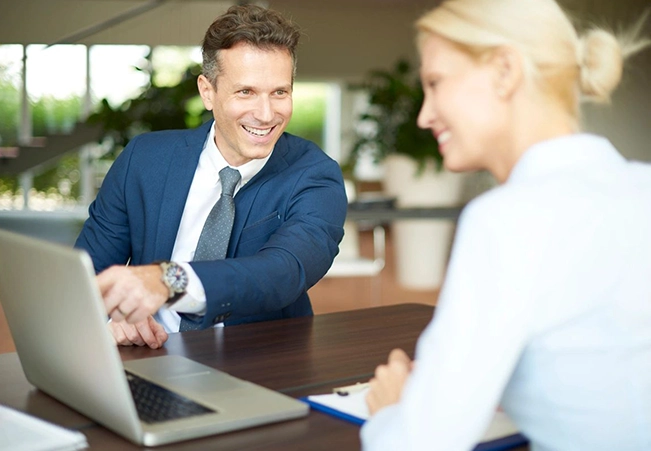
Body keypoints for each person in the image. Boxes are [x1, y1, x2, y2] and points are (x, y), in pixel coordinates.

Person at [361, 1, 651, 450]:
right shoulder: (641, 188)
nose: (425, 115)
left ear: (504, 70)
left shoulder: (506, 220)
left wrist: (396, 408)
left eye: (436, 84)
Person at [75, 4, 347, 349]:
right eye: (245, 92)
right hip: (146, 357)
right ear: (208, 92)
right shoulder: (144, 159)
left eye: (279, 92)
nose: (265, 114)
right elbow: (88, 274)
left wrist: (168, 280)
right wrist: (110, 318)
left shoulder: (316, 176)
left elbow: (283, 272)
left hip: (261, 372)